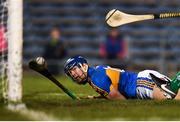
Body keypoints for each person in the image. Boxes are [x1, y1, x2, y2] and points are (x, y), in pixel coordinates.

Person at [64, 55, 180, 100]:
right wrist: (97, 98)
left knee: (171, 99)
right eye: (70, 73)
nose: (73, 74)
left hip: (143, 84)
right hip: (143, 81)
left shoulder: (96, 79)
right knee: (175, 96)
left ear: (84, 66)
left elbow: (118, 99)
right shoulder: (95, 74)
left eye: (74, 69)